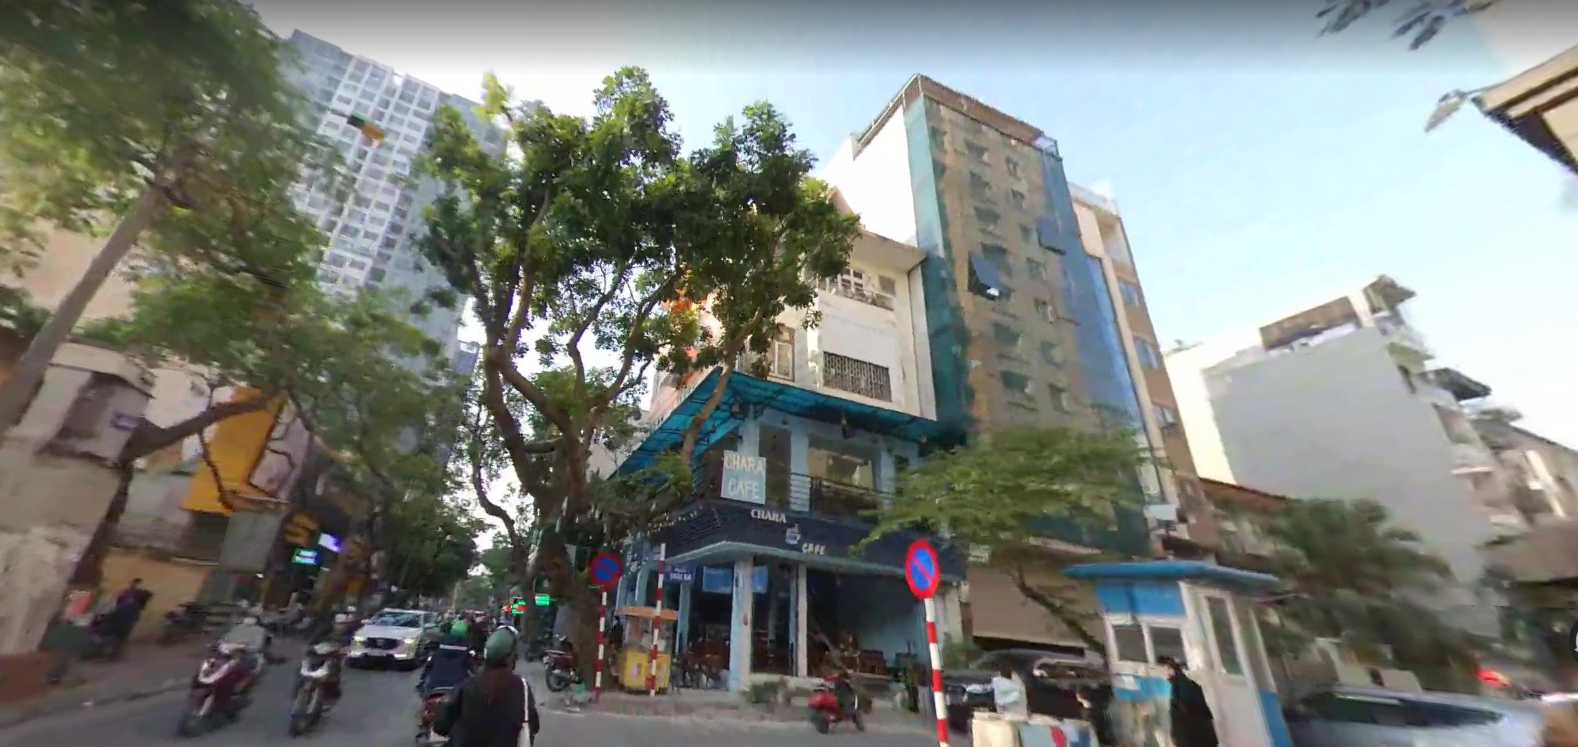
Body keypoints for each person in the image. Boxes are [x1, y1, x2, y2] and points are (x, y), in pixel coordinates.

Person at [438, 627, 540, 747]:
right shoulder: (522, 689)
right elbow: (534, 727)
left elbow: (441, 725)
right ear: (511, 657)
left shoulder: (467, 686)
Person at [1159, 656, 1217, 747]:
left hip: (1193, 738)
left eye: (1166, 670)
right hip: (1201, 737)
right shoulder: (1188, 686)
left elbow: (1185, 713)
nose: (1165, 675)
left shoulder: (1181, 688)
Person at [420, 620, 476, 694]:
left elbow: (429, 663)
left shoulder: (441, 642)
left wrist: (422, 682)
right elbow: (471, 667)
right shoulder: (467, 646)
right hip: (457, 686)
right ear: (465, 632)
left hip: (434, 685)